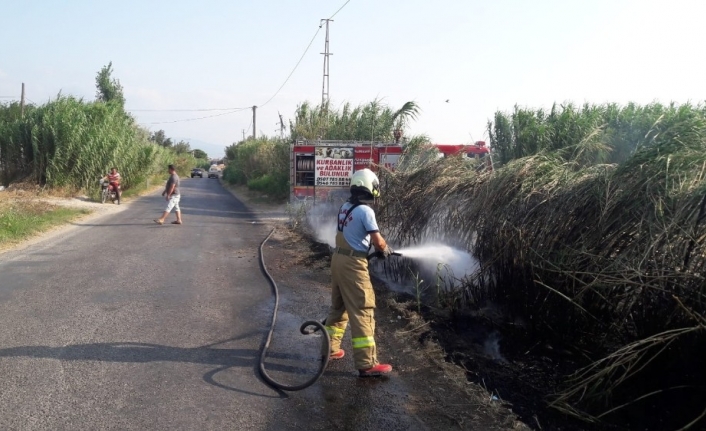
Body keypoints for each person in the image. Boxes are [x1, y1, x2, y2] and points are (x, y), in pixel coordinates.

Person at [324, 168, 394, 377]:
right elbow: (378, 240)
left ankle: (329, 349)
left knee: (338, 308)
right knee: (363, 310)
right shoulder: (366, 211)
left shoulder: (345, 207)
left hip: (338, 259)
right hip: (353, 265)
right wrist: (385, 250)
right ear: (369, 186)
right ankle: (366, 363)